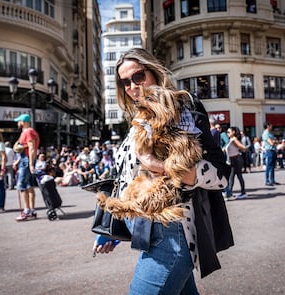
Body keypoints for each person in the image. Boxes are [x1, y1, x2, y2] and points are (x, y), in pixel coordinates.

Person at [92, 48, 233, 294]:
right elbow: (127, 178)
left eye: (138, 76)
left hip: (172, 234)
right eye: (125, 82)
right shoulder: (137, 119)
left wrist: (153, 163)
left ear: (154, 72)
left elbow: (221, 176)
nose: (132, 86)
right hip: (144, 229)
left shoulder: (182, 108)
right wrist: (114, 226)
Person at [13, 113, 40, 221]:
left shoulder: (28, 131)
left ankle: (26, 211)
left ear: (23, 122)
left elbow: (32, 148)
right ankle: (31, 210)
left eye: (19, 121)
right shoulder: (27, 132)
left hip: (27, 160)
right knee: (29, 186)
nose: (18, 123)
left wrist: (30, 164)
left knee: (22, 186)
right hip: (25, 159)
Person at [224, 127, 247, 200]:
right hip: (232, 160)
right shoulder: (231, 140)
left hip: (236, 159)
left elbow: (243, 147)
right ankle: (230, 193)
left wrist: (239, 147)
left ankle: (243, 192)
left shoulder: (234, 139)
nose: (228, 133)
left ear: (233, 132)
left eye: (229, 132)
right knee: (232, 177)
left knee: (238, 176)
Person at [262, 122, 278, 186]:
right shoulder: (265, 133)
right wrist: (274, 141)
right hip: (269, 150)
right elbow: (271, 143)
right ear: (268, 126)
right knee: (268, 166)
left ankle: (272, 180)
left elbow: (275, 141)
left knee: (273, 166)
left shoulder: (270, 133)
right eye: (271, 125)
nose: (272, 126)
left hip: (273, 150)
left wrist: (274, 141)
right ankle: (267, 180)